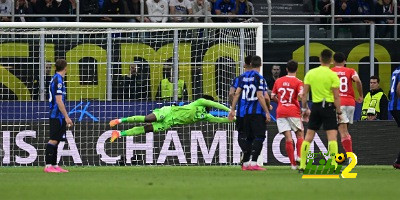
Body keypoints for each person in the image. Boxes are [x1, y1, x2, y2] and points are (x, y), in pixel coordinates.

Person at [109, 95, 233, 142]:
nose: (211, 107)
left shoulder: (206, 116)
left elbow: (221, 120)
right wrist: (229, 109)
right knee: (148, 118)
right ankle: (120, 120)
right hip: (168, 112)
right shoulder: (199, 102)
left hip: (170, 123)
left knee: (146, 129)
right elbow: (216, 104)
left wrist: (237, 118)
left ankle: (119, 133)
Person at [299, 49, 341, 172]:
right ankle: (333, 165)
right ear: (332, 60)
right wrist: (339, 111)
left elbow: (304, 94)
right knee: (332, 137)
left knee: (308, 136)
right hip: (328, 107)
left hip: (316, 107)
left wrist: (304, 108)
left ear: (320, 59)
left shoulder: (311, 73)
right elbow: (336, 96)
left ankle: (302, 165)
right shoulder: (333, 75)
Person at [229, 55, 271, 171]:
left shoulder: (243, 78)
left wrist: (232, 109)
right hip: (256, 112)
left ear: (250, 64)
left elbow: (235, 94)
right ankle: (253, 163)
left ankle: (246, 163)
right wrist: (267, 111)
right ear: (261, 65)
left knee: (248, 137)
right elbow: (261, 96)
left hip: (245, 112)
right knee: (259, 137)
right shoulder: (259, 78)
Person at [271, 60, 304, 170]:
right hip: (293, 111)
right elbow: (301, 95)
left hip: (281, 111)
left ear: (286, 69)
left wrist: (280, 102)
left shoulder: (279, 81)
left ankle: (293, 165)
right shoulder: (298, 82)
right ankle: (299, 156)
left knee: (288, 138)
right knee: (300, 134)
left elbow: (272, 96)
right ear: (297, 69)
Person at [331, 52, 363, 158]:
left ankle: (350, 157)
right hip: (350, 103)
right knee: (344, 130)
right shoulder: (351, 71)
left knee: (342, 131)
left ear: (334, 61)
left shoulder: (330, 72)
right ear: (345, 61)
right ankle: (347, 154)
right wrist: (361, 95)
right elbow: (357, 81)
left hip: (339, 103)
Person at [44, 59, 73, 173]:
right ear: (65, 68)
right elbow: (59, 101)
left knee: (58, 140)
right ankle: (48, 165)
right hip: (56, 115)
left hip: (58, 115)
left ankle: (55, 165)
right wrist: (66, 116)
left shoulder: (56, 78)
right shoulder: (58, 80)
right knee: (53, 140)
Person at [228, 55, 252, 168]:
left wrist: (234, 107)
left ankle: (246, 153)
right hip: (254, 113)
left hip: (242, 112)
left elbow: (231, 93)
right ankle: (249, 156)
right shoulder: (258, 79)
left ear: (244, 65)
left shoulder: (239, 79)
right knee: (255, 135)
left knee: (241, 134)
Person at [389, 66, 400, 169]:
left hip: (393, 106)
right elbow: (398, 89)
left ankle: (398, 161)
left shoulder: (396, 70)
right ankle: (398, 161)